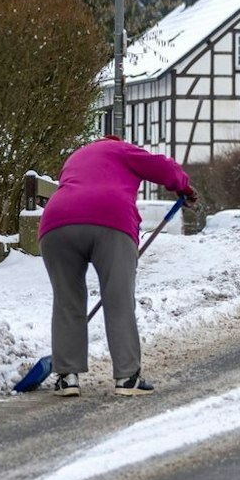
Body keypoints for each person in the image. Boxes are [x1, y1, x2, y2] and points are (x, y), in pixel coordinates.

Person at [38, 133, 194, 397]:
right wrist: (184, 188)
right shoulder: (122, 150)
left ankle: (67, 377)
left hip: (57, 223)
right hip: (110, 220)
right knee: (118, 300)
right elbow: (164, 167)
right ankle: (127, 378)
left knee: (67, 301)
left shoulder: (76, 157)